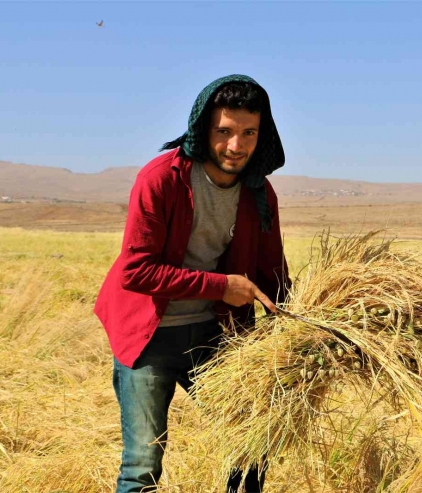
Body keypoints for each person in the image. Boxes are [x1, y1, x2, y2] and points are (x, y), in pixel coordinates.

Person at [94, 74, 291, 493]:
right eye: (224, 132)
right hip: (148, 336)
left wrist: (304, 330)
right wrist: (221, 286)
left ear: (262, 134)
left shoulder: (259, 192)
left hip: (215, 336)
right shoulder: (161, 179)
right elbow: (136, 271)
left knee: (251, 442)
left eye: (248, 133)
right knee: (142, 465)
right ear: (204, 129)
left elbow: (273, 273)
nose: (236, 146)